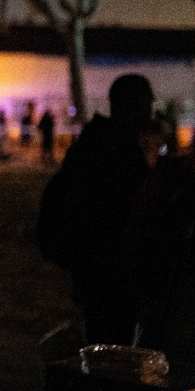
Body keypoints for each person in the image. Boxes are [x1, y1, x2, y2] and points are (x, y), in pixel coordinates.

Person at [37, 75, 156, 345]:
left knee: (102, 343)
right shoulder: (118, 148)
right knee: (112, 350)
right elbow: (127, 213)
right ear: (133, 105)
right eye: (148, 101)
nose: (152, 109)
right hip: (109, 272)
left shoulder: (95, 141)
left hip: (91, 269)